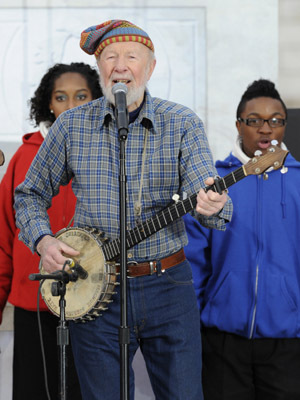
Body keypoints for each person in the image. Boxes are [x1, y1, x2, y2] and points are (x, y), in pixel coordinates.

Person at [14, 20, 232, 400]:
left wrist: (213, 203)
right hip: (93, 289)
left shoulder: (182, 123)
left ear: (150, 67)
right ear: (100, 69)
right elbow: (29, 194)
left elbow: (206, 194)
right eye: (110, 57)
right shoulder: (71, 126)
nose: (120, 65)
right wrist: (43, 241)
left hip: (168, 285)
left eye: (132, 56)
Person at [184, 78, 300, 400]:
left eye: (275, 120)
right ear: (238, 125)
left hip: (289, 342)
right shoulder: (215, 183)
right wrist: (194, 326)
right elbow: (193, 261)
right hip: (222, 341)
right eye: (255, 120)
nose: (266, 129)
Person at [0, 62, 102, 400]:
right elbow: (3, 238)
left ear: (97, 100)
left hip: (95, 305)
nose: (71, 106)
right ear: (48, 103)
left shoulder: (109, 154)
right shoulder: (23, 158)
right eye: (62, 97)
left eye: (81, 97)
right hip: (36, 308)